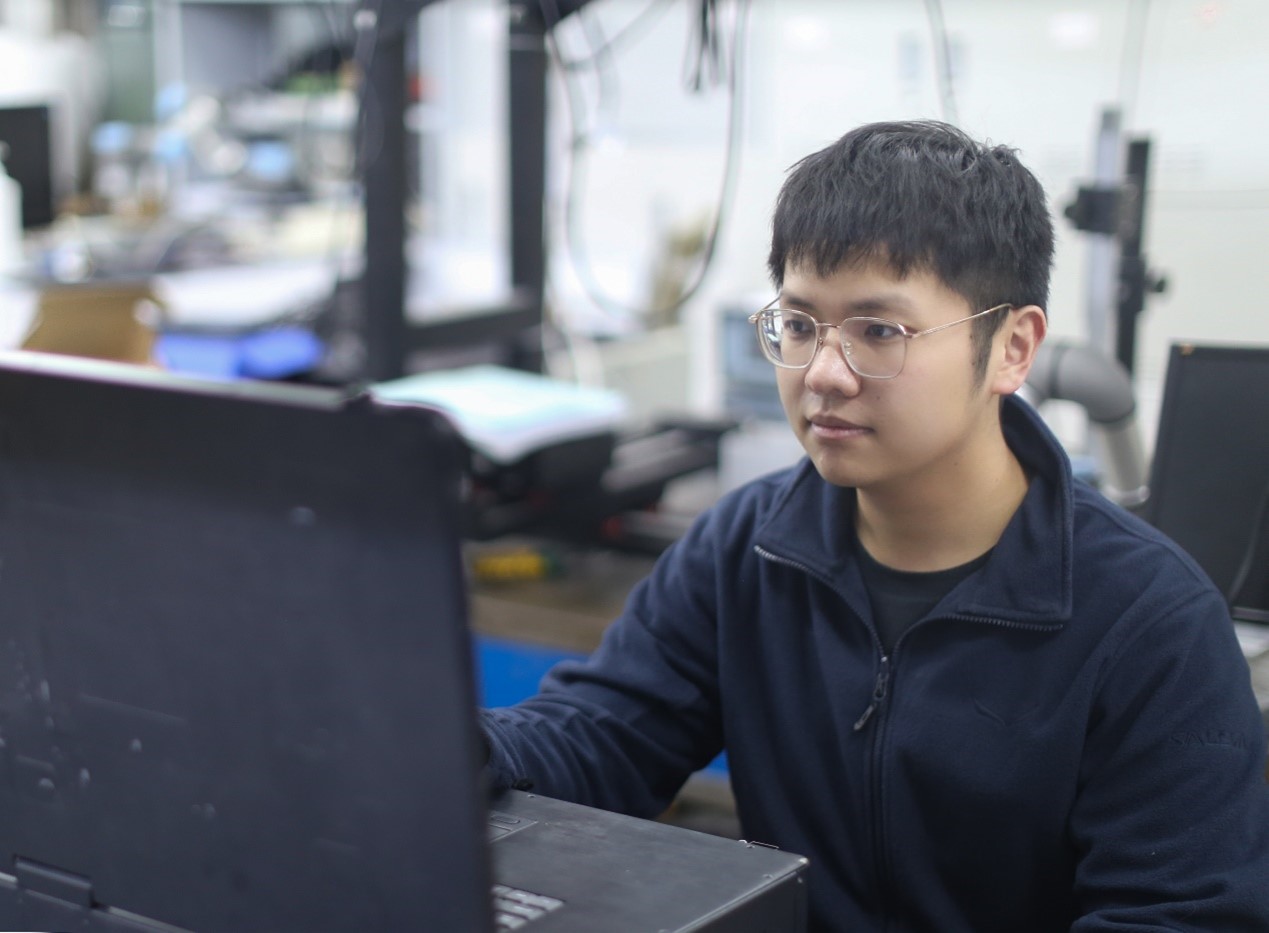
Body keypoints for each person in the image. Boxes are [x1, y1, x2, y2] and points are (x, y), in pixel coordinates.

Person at [480, 120, 1269, 931]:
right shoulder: (747, 545)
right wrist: (455, 747)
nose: (824, 373)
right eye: (799, 324)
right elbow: (600, 734)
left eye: (878, 331)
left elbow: (1178, 915)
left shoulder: (1149, 623)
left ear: (1011, 348)